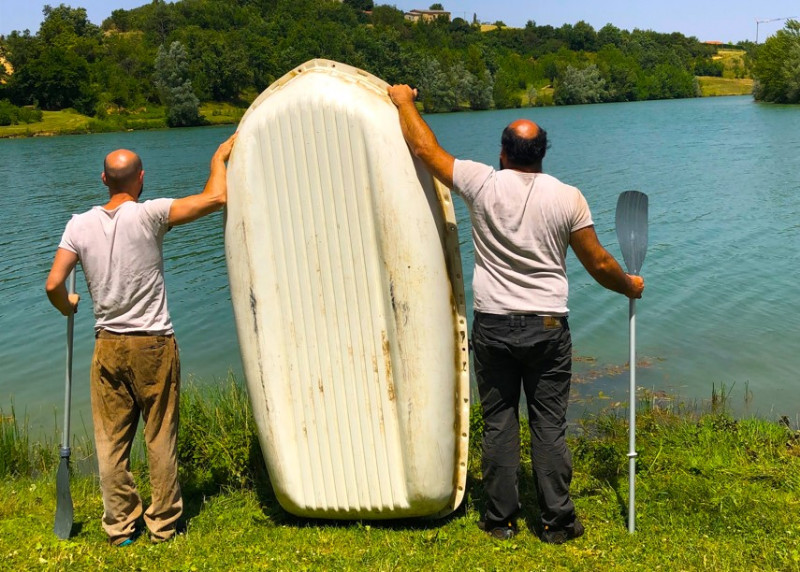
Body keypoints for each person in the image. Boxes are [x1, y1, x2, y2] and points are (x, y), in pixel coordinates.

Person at [387, 85, 644, 544]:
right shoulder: (568, 197)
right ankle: (557, 522)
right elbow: (599, 263)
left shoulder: (481, 182)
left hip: (494, 325)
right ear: (542, 154)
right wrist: (629, 285)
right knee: (548, 427)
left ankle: (500, 520)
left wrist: (404, 102)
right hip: (548, 327)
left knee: (500, 423)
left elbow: (424, 149)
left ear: (503, 152)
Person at [45, 132, 237, 546]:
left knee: (111, 442)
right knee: (160, 434)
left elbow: (53, 285)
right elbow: (216, 198)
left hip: (107, 344)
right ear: (141, 178)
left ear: (103, 179)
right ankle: (163, 524)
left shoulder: (77, 224)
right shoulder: (152, 213)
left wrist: (67, 304)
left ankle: (120, 526)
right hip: (153, 342)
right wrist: (218, 159)